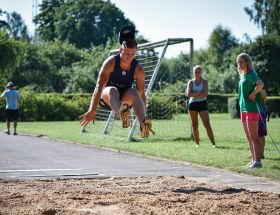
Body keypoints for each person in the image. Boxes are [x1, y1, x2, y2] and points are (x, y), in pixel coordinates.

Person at [79, 25, 153, 138]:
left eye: (132, 54)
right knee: (112, 90)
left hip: (124, 100)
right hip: (107, 99)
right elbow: (98, 87)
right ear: (121, 50)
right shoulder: (111, 62)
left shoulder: (138, 70)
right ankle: (123, 116)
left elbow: (142, 95)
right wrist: (92, 110)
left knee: (134, 92)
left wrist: (144, 117)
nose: (129, 57)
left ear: (136, 53)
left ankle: (144, 124)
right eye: (127, 53)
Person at [236, 53, 264, 168]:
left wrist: (253, 94)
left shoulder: (251, 74)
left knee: (254, 136)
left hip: (252, 109)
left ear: (247, 62)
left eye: (241, 62)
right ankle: (253, 160)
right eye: (238, 62)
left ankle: (258, 162)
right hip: (243, 109)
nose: (239, 64)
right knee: (249, 136)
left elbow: (261, 85)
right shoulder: (243, 75)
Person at [186, 65, 216, 147]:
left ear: (201, 72)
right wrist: (199, 93)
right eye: (195, 72)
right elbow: (188, 94)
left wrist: (195, 94)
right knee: (195, 125)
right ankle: (197, 144)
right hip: (192, 105)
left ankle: (213, 144)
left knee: (207, 124)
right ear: (193, 73)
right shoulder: (191, 82)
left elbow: (205, 93)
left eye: (198, 72)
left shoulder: (205, 82)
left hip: (202, 104)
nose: (197, 73)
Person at [258, 89, 268, 159]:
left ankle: (261, 154)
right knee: (254, 134)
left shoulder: (262, 90)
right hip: (253, 112)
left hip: (260, 112)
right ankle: (256, 153)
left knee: (261, 134)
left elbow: (264, 101)